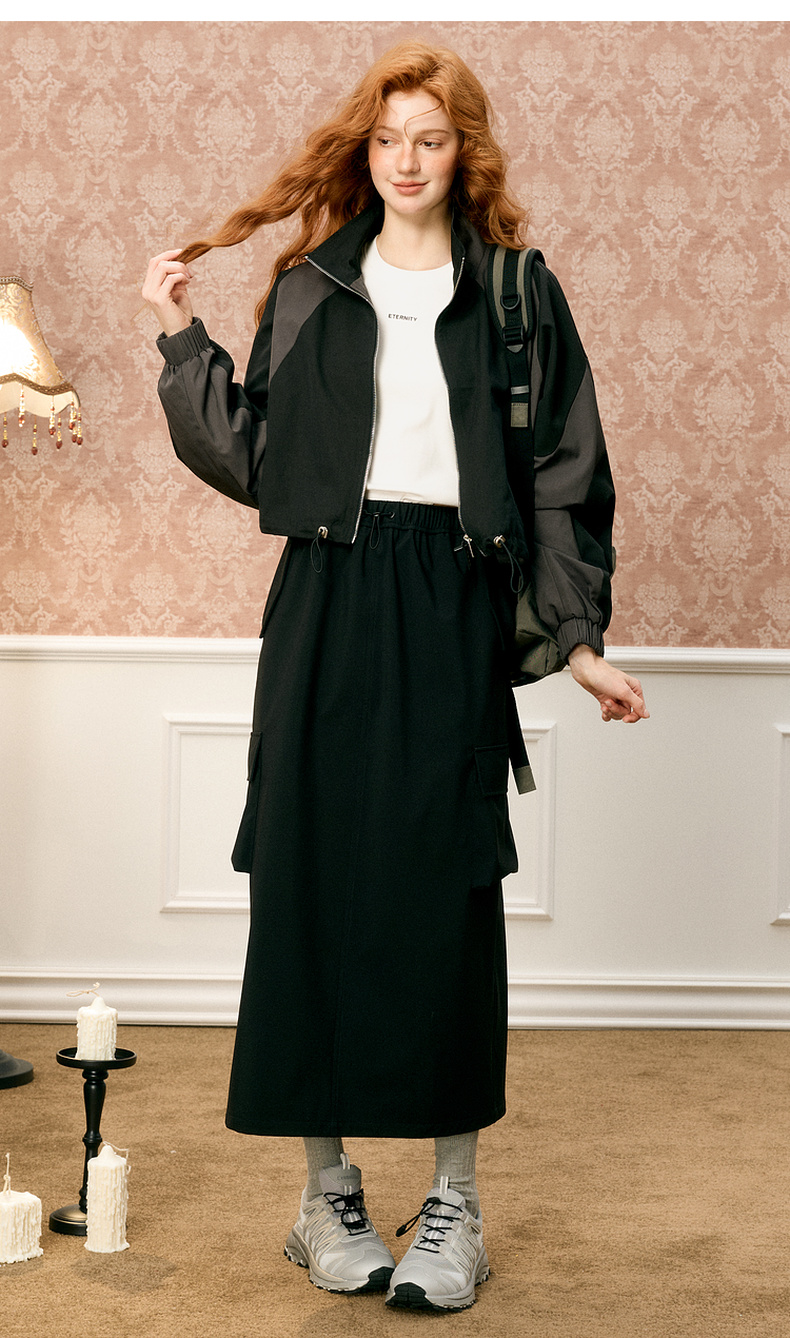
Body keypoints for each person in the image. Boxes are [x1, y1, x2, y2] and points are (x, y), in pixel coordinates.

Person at [142, 41, 648, 1314]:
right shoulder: (311, 283)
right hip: (325, 594)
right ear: (363, 152)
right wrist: (181, 343)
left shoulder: (518, 292)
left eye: (429, 138)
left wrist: (577, 642)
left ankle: (453, 1207)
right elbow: (261, 458)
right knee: (306, 881)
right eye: (386, 139)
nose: (406, 161)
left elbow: (563, 477)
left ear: (463, 151)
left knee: (443, 894)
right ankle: (325, 1199)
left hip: (452, 604)